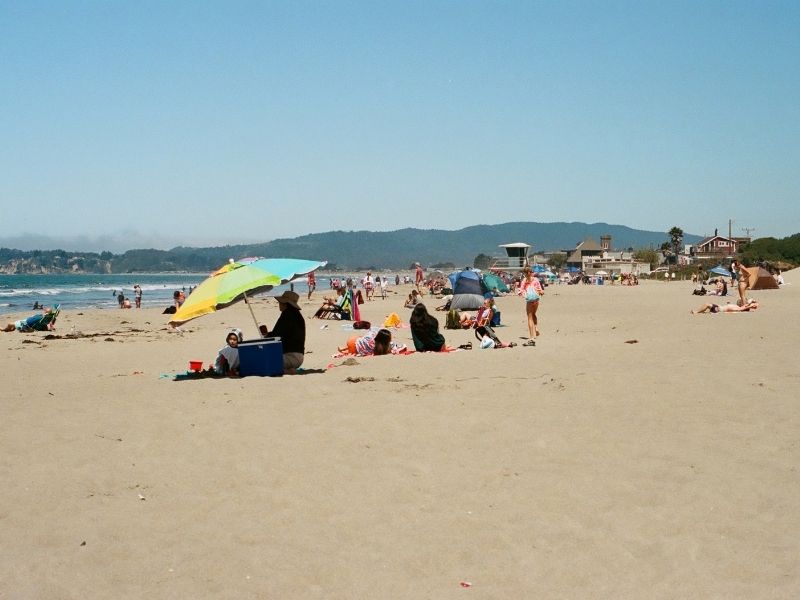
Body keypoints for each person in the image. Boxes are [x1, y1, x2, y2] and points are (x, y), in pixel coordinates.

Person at [267, 291, 306, 372]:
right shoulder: (297, 315)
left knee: (262, 362)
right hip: (299, 355)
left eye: (280, 302)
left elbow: (277, 336)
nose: (279, 304)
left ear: (285, 303)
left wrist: (266, 336)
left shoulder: (287, 315)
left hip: (290, 356)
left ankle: (287, 371)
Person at [519, 266, 543, 345]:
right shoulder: (536, 279)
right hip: (536, 300)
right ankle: (536, 328)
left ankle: (531, 336)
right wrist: (540, 292)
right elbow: (540, 290)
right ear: (531, 272)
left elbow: (521, 290)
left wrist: (523, 295)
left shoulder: (524, 281)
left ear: (525, 273)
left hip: (529, 300)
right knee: (534, 314)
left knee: (529, 317)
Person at [339, 328, 406, 356]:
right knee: (361, 342)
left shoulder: (371, 338)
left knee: (361, 339)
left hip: (351, 341)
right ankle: (346, 349)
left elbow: (366, 336)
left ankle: (345, 348)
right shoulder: (383, 348)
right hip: (354, 350)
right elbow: (397, 348)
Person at [691, 300, 759, 314]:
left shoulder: (739, 308)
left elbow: (743, 308)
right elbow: (746, 304)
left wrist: (751, 306)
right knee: (708, 304)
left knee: (707, 304)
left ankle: (697, 312)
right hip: (719, 307)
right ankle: (699, 311)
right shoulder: (738, 306)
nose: (739, 301)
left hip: (719, 309)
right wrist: (752, 303)